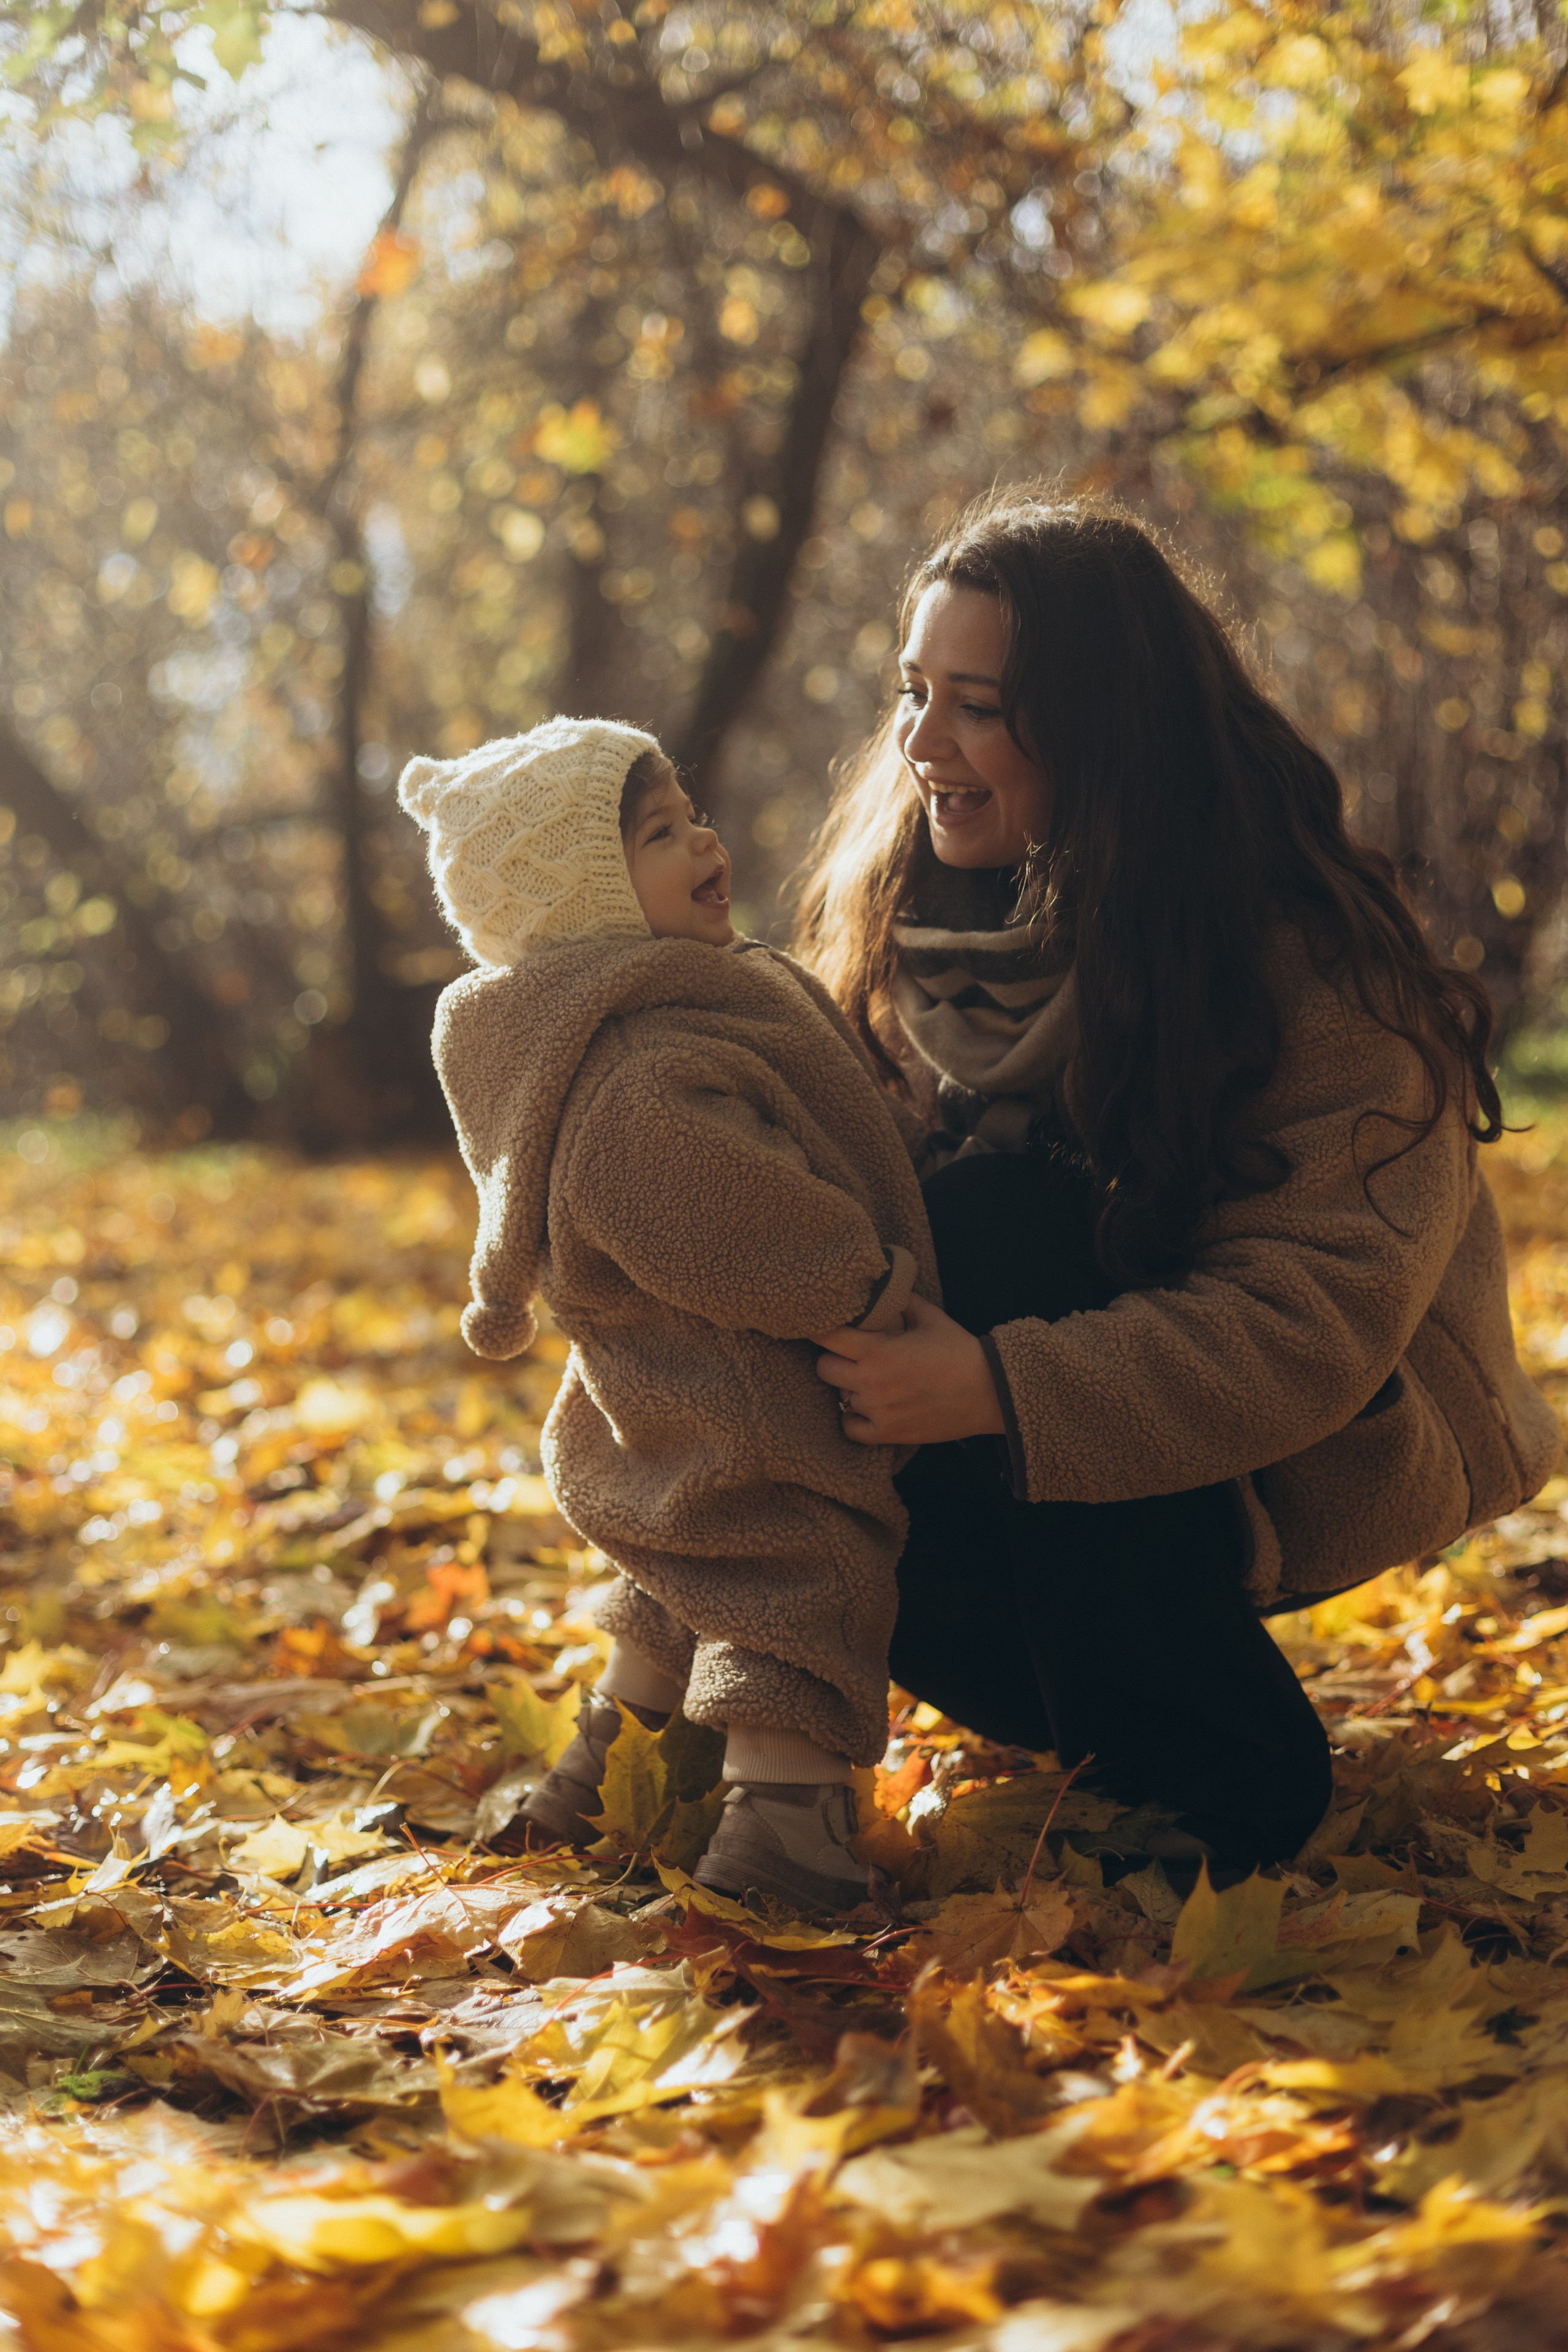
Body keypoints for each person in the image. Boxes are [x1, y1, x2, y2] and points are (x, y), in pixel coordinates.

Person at [796, 492, 1559, 1876]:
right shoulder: (902, 926)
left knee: (997, 1218)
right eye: (911, 692)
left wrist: (992, 1387)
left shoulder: (1302, 957)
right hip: (1054, 1475)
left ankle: (1226, 1776)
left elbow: (1313, 1318)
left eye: (978, 705)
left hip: (1310, 1450)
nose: (920, 745)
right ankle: (1067, 1710)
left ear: (1102, 728)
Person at [399, 717, 937, 1912]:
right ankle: (782, 1836)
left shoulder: (646, 1010)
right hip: (759, 1384)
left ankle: (610, 1771)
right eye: (657, 833)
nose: (702, 839)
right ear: (582, 895)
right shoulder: (636, 1066)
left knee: (677, 1582)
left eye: (690, 813)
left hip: (670, 1387)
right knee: (787, 1584)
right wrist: (865, 1288)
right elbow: (740, 1220)